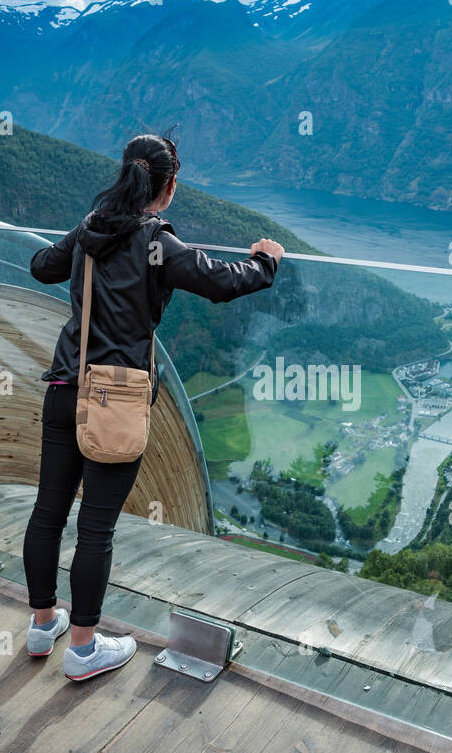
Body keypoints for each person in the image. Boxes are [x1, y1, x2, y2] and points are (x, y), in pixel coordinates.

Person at [22, 133, 284, 681]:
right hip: (115, 399)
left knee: (48, 513)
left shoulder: (93, 226)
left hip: (64, 387)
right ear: (165, 188)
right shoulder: (154, 240)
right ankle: (84, 650)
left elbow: (43, 267)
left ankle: (43, 624)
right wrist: (265, 262)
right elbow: (218, 282)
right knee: (96, 527)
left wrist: (75, 244)